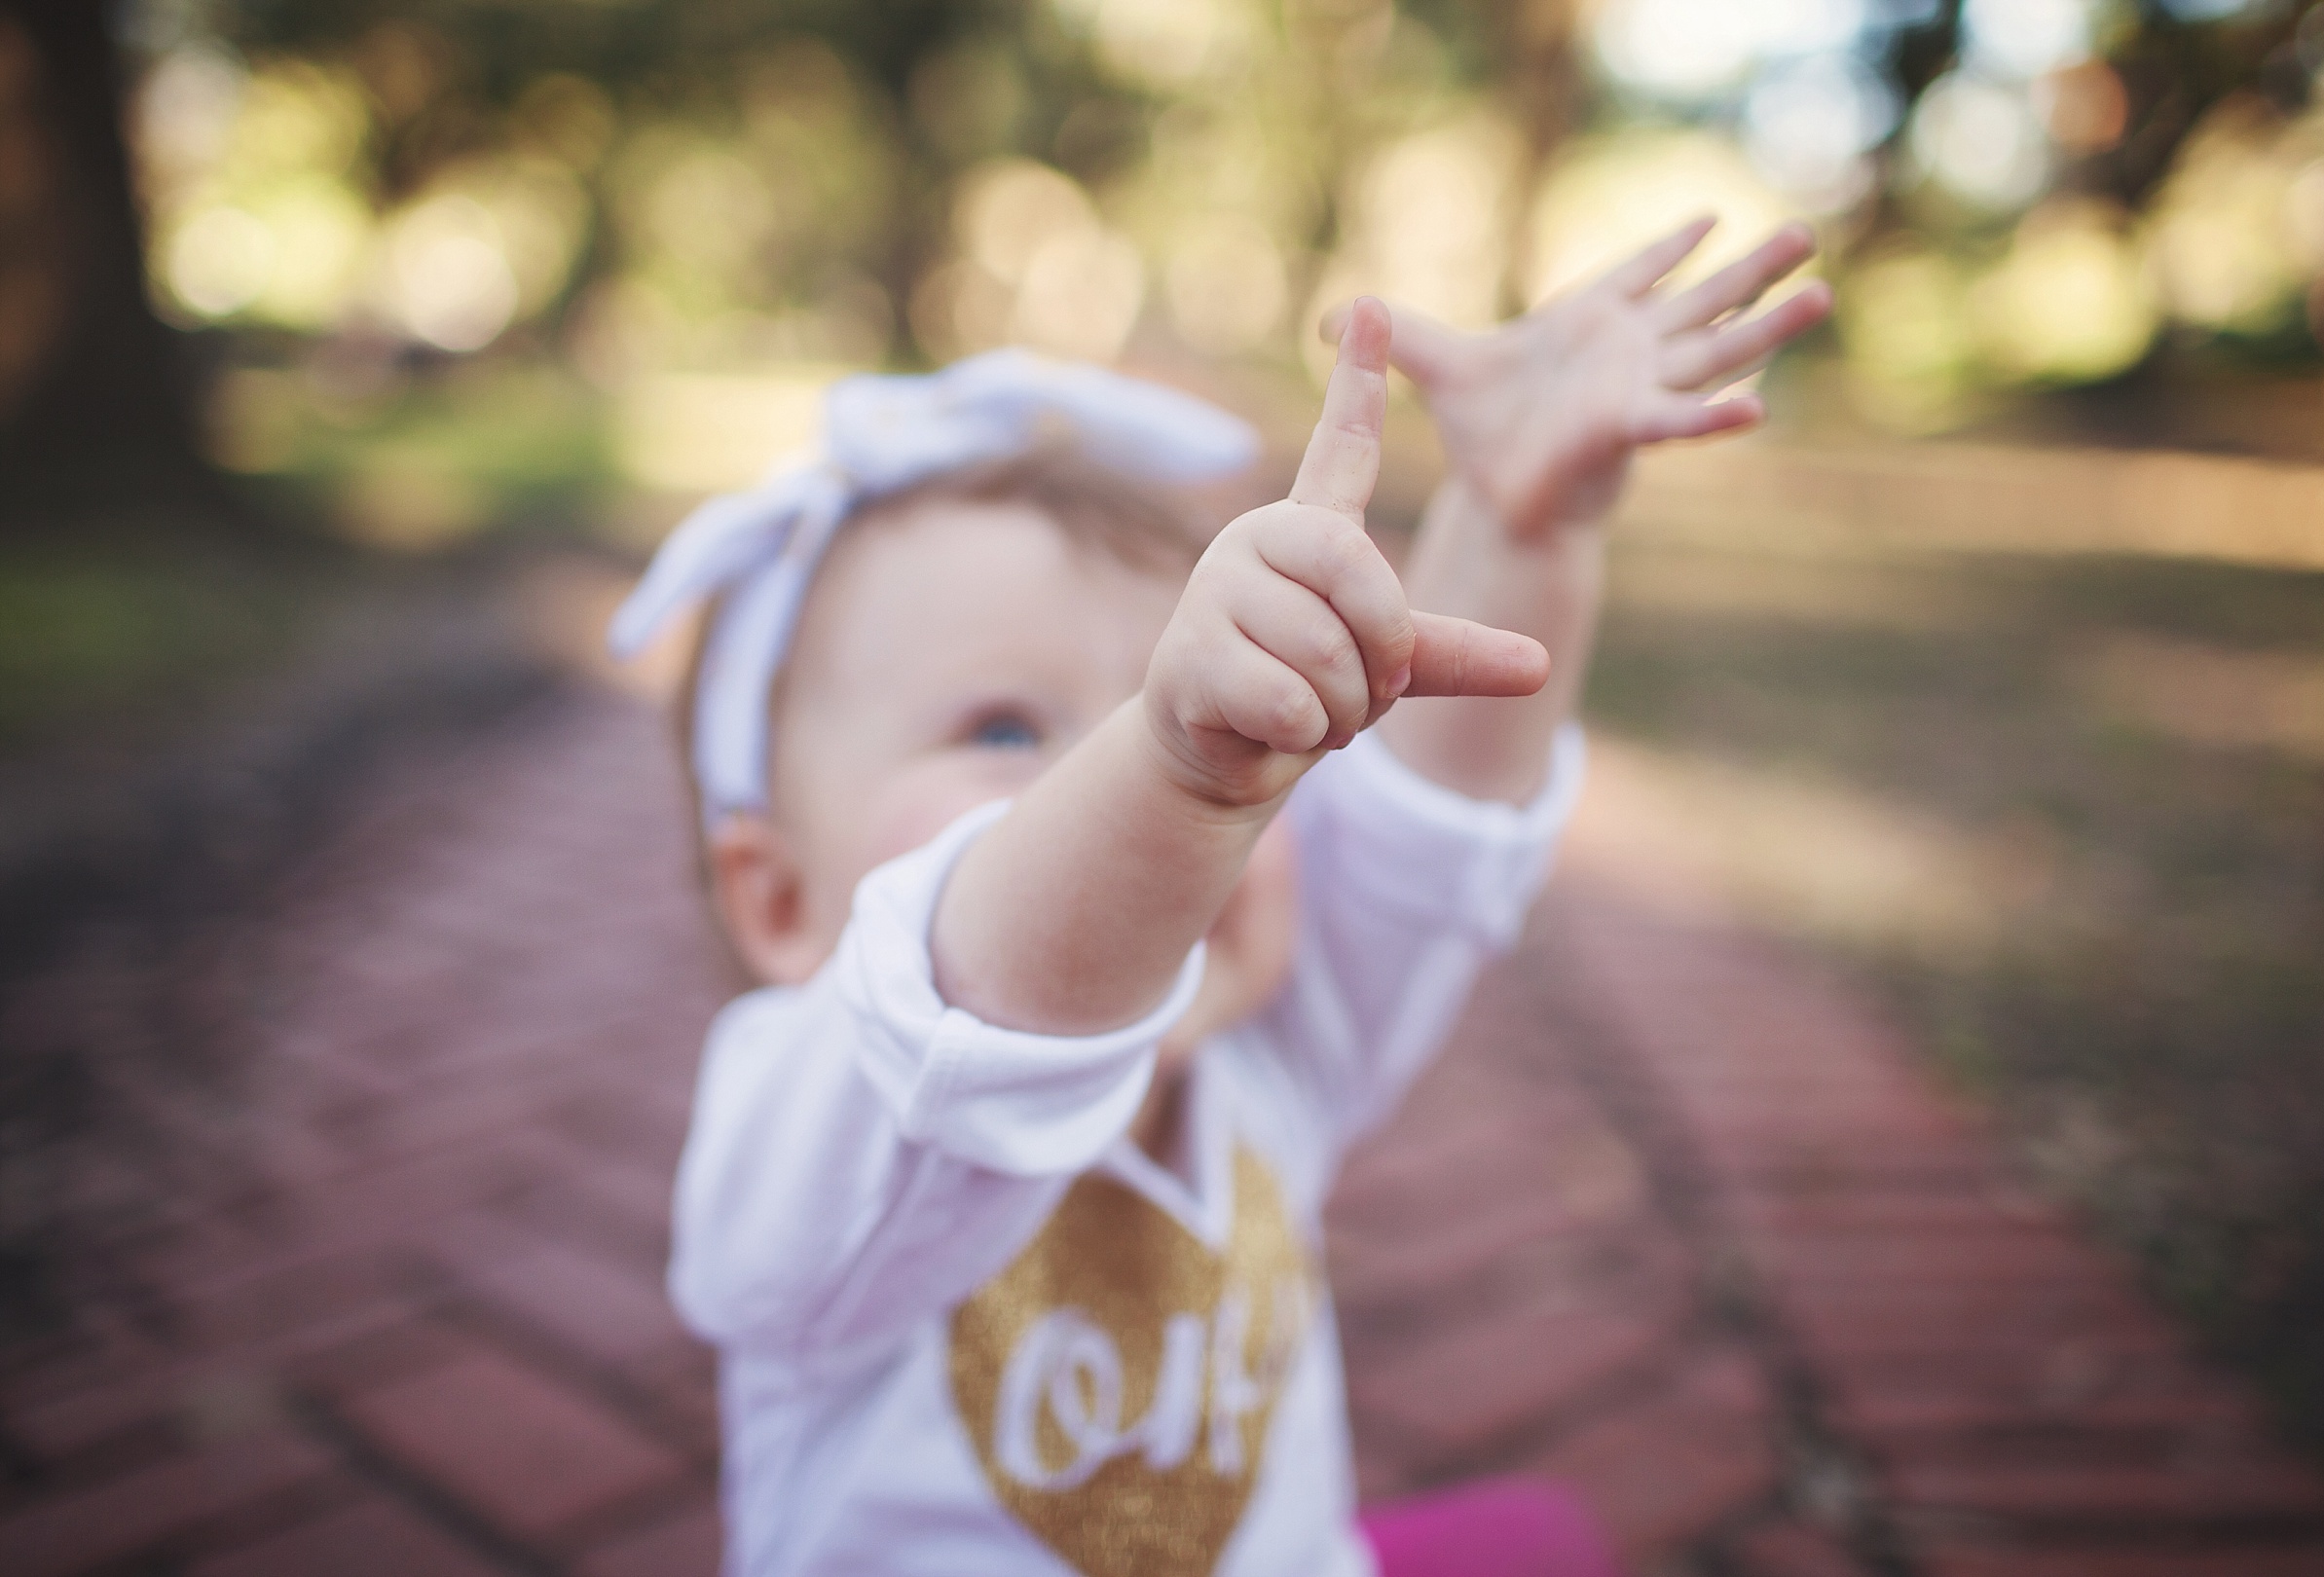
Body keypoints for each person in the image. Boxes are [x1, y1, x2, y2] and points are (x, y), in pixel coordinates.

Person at [608, 218, 1829, 1577]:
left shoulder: (1271, 1054)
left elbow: (1427, 832)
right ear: (777, 901)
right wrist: (1169, 768)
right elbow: (979, 990)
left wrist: (1514, 519)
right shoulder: (804, 1126)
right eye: (1007, 730)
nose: (1124, 764)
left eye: (1170, 693)